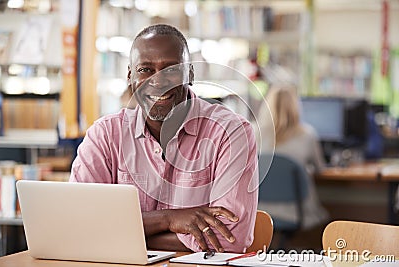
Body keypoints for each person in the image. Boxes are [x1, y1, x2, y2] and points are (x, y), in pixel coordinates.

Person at [69, 24, 258, 253]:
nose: (157, 82)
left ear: (190, 73)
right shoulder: (105, 135)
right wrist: (167, 219)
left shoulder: (231, 132)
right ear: (130, 76)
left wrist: (121, 236)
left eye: (171, 69)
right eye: (145, 70)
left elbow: (231, 238)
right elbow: (79, 225)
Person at [256, 86, 328, 229]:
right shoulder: (307, 135)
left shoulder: (252, 132)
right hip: (295, 212)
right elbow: (320, 169)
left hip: (258, 212)